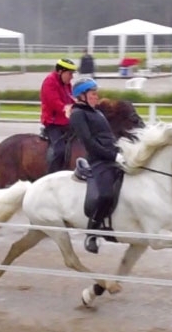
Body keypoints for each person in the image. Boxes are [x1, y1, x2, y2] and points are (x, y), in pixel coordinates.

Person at [69, 77, 126, 254]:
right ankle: (92, 233)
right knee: (106, 194)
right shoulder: (78, 114)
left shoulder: (96, 112)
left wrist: (122, 150)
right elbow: (89, 143)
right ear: (82, 96)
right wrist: (113, 155)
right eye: (93, 94)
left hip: (112, 155)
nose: (96, 96)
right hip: (98, 160)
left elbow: (107, 137)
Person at [40, 58, 77, 173]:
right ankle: (50, 177)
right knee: (59, 150)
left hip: (66, 122)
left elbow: (71, 99)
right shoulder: (49, 82)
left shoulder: (67, 84)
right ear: (60, 72)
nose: (72, 77)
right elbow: (54, 102)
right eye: (70, 74)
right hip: (53, 124)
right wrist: (67, 108)